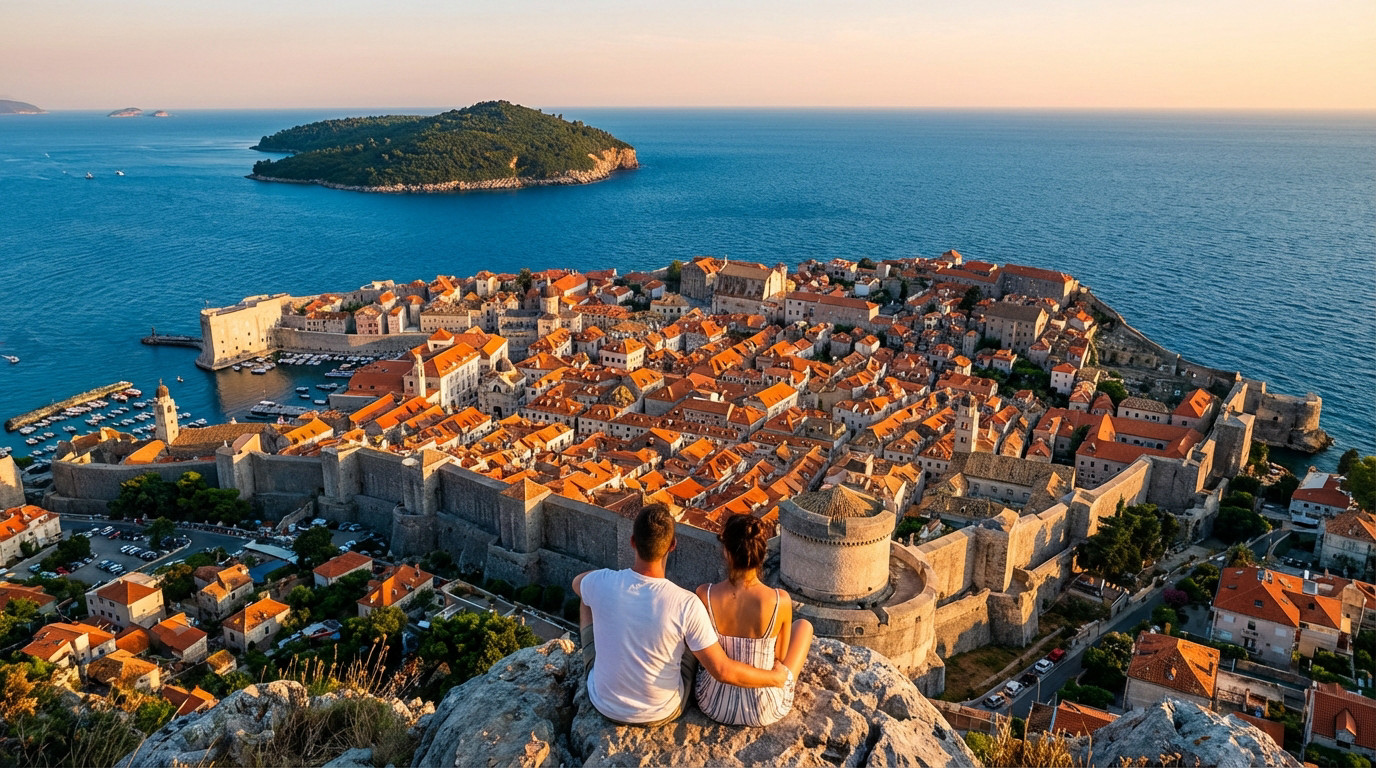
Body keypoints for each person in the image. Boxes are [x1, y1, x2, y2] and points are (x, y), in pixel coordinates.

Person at [572, 503, 789, 726]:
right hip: (660, 711)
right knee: (691, 639)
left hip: (603, 702)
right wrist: (775, 678)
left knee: (586, 600)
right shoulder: (686, 603)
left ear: (632, 542)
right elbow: (722, 670)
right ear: (673, 545)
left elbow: (578, 583)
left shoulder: (601, 582)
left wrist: (610, 579)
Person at [695, 514, 813, 726]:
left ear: (726, 552)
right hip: (764, 709)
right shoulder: (780, 600)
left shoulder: (705, 595)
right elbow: (780, 658)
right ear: (762, 554)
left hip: (714, 704)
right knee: (804, 626)